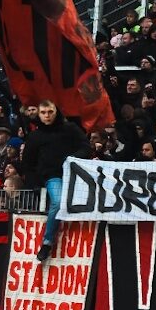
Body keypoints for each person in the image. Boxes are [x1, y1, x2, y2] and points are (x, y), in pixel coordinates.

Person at [22, 100, 91, 263]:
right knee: (58, 202)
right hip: (53, 176)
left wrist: (73, 158)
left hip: (76, 175)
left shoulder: (71, 129)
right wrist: (34, 185)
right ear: (38, 115)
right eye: (43, 113)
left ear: (56, 111)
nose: (47, 116)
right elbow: (28, 163)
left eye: (50, 112)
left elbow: (86, 147)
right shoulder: (35, 136)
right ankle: (47, 242)